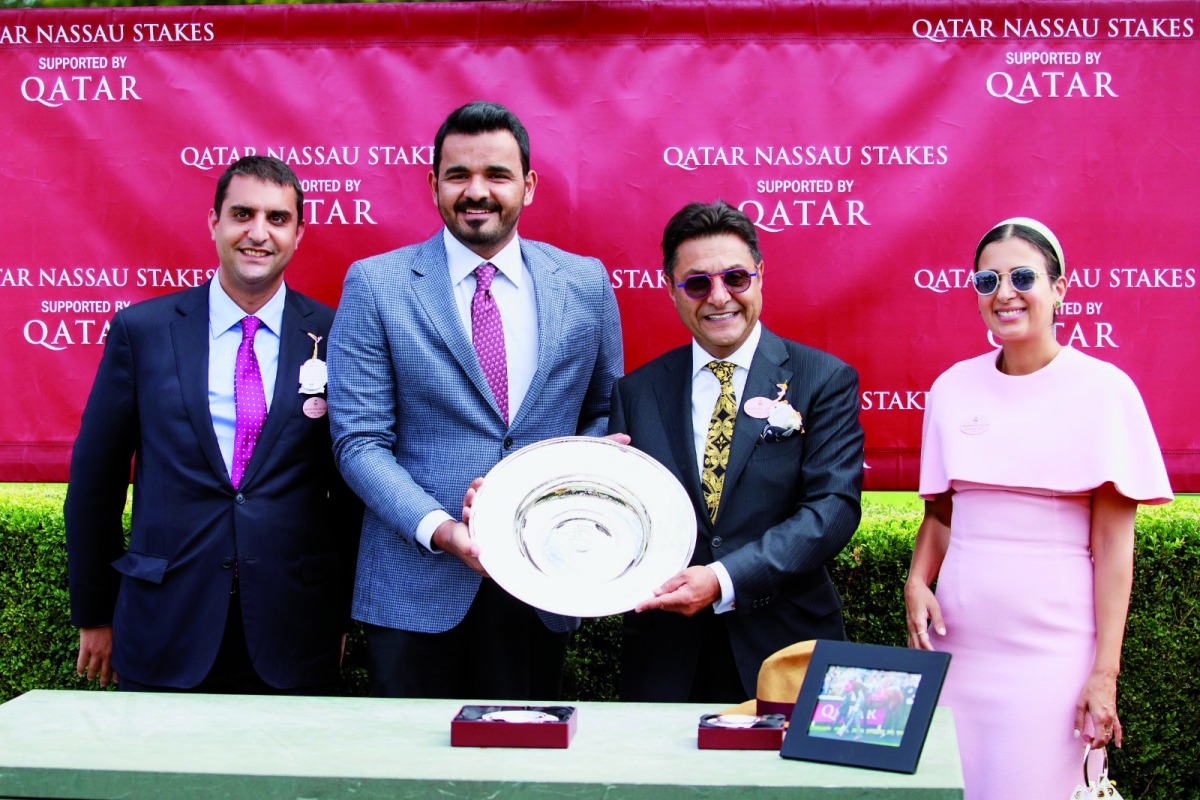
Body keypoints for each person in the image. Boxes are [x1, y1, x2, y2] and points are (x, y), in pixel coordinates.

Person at [327, 101, 623, 700]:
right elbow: (358, 443)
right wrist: (441, 530)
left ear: (529, 186)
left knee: (524, 776)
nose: (476, 191)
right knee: (409, 784)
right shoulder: (375, 283)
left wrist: (564, 482)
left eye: (497, 174)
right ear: (432, 183)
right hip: (415, 586)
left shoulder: (586, 283)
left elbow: (603, 414)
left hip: (545, 579)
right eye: (458, 175)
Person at [65, 156, 360, 694]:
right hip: (162, 625)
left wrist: (337, 617)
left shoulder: (337, 333)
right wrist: (94, 614)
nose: (258, 232)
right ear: (214, 222)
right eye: (242, 213)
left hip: (295, 630)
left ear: (298, 233)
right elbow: (96, 483)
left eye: (277, 218)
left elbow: (349, 492)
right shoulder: (143, 331)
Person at [904, 218, 1172, 799]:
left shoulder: (1106, 391)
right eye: (987, 279)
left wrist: (1105, 673)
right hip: (958, 647)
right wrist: (918, 581)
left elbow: (1112, 548)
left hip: (1053, 655)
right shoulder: (951, 387)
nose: (1004, 292)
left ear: (1060, 287)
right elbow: (941, 514)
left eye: (1023, 276)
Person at [608, 200, 864, 703]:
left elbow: (832, 511)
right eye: (698, 283)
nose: (719, 297)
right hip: (666, 661)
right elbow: (621, 520)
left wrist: (723, 579)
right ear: (673, 291)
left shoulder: (823, 380)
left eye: (736, 278)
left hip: (784, 651)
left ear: (761, 277)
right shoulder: (636, 393)